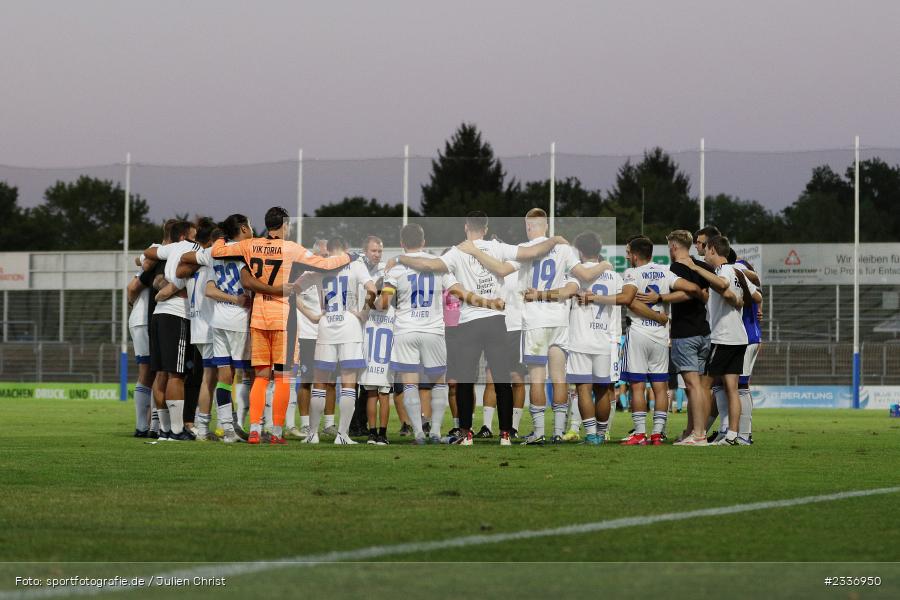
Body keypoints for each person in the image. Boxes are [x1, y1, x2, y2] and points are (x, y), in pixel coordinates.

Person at [394, 211, 564, 444]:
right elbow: (532, 252)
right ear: (485, 228)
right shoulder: (498, 247)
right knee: (501, 378)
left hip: (469, 322)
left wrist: (402, 259)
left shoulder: (458, 250)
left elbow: (429, 264)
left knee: (465, 379)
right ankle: (505, 434)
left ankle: (467, 433)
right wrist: (554, 240)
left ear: (466, 227)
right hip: (495, 319)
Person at [208, 206, 351, 445]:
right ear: (285, 225)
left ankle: (254, 430)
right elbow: (324, 265)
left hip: (258, 317)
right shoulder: (291, 248)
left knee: (261, 377)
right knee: (283, 378)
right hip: (283, 318)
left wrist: (222, 231)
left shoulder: (250, 245)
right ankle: (275, 432)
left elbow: (217, 251)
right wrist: (350, 257)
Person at [382, 223, 505, 444]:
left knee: (410, 383)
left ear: (401, 243)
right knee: (439, 382)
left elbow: (383, 303)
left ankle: (419, 432)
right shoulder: (438, 265)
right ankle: (436, 431)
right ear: (424, 242)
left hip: (405, 331)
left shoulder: (395, 268)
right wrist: (488, 302)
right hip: (434, 331)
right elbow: (459, 292)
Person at [619, 236, 702, 446]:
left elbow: (628, 300)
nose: (627, 256)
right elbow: (692, 289)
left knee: (637, 386)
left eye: (628, 253)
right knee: (660, 386)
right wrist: (664, 298)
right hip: (660, 336)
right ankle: (657, 434)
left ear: (635, 255)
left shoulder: (632, 273)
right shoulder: (665, 271)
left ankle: (639, 434)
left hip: (638, 333)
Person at [674, 235, 752, 446]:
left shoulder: (725, 270)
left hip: (723, 337)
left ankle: (698, 433)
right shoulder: (737, 272)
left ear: (713, 251)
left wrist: (695, 268)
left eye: (706, 250)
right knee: (731, 388)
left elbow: (723, 284)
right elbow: (744, 296)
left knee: (702, 386)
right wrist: (735, 299)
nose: (704, 254)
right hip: (739, 337)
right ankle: (733, 436)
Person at [306, 237, 376, 445]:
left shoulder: (320, 266)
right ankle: (342, 435)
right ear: (346, 248)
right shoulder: (355, 263)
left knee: (319, 382)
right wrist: (364, 313)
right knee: (348, 382)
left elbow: (294, 290)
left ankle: (312, 434)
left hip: (327, 325)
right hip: (349, 325)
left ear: (328, 250)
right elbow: (372, 290)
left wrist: (312, 315)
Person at [141, 220, 198, 441]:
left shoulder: (170, 248)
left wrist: (162, 288)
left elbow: (148, 252)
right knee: (176, 374)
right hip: (177, 316)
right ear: (185, 236)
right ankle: (176, 430)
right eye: (193, 235)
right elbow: (185, 272)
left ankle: (164, 429)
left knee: (161, 374)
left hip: (158, 315)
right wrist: (172, 287)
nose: (196, 240)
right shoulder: (192, 248)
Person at [127, 219, 175, 437]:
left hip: (143, 317)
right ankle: (148, 426)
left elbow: (138, 267)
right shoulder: (159, 253)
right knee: (153, 371)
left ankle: (146, 425)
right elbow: (133, 286)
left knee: (150, 372)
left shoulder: (154, 253)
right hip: (146, 318)